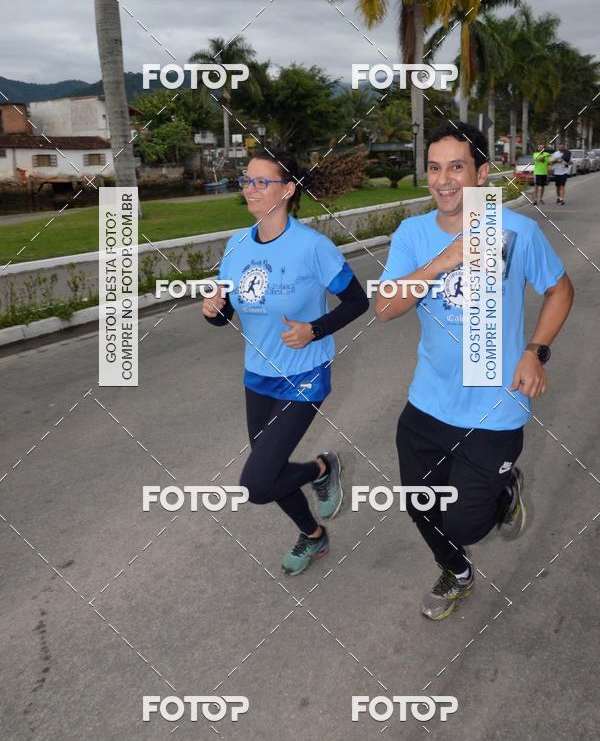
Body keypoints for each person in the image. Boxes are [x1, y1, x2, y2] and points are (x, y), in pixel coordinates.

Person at [375, 122, 574, 620]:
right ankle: (456, 572)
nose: (443, 180)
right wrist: (443, 261)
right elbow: (384, 308)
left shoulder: (516, 231)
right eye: (435, 168)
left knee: (465, 523)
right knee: (421, 506)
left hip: (494, 406)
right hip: (427, 403)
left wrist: (536, 350)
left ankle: (505, 492)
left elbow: (560, 290)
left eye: (457, 167)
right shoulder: (413, 233)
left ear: (482, 174)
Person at [203, 150, 369, 575]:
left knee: (257, 484)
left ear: (288, 190)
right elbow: (229, 315)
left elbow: (357, 301)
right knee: (271, 471)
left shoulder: (313, 247)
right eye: (247, 180)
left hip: (305, 375)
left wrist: (314, 329)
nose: (250, 189)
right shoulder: (236, 245)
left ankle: (322, 467)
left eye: (262, 182)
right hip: (257, 377)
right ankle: (313, 533)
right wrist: (215, 311)